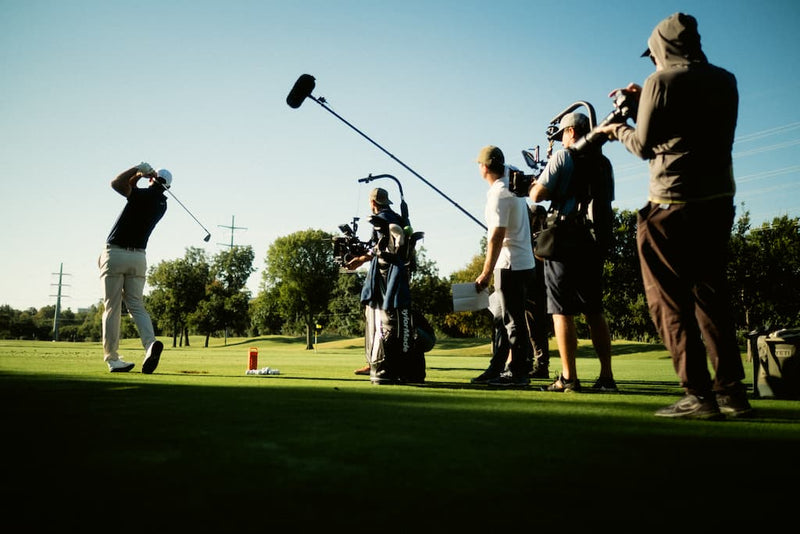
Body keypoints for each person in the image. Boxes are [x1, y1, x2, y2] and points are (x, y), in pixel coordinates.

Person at [596, 13, 751, 418]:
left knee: (668, 302)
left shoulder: (660, 83)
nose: (652, 62)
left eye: (653, 55)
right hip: (718, 201)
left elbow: (644, 145)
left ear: (661, 46)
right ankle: (732, 393)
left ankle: (698, 395)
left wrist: (616, 128)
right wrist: (643, 102)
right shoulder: (726, 80)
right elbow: (692, 127)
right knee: (711, 298)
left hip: (670, 205)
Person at [529, 113, 617, 393]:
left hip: (564, 240)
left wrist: (532, 185)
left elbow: (538, 195)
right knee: (594, 310)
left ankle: (569, 378)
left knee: (560, 311)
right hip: (592, 241)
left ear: (570, 131)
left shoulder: (563, 157)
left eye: (562, 135)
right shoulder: (604, 163)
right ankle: (606, 377)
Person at [471, 146, 535, 387]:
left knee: (512, 321)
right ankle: (498, 368)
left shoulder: (499, 193)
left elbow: (496, 236)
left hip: (509, 265)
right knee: (505, 318)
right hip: (525, 263)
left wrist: (486, 272)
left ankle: (518, 373)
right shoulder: (512, 183)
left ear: (484, 167)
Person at [346, 188, 423, 384]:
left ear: (372, 203)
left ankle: (378, 362)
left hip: (385, 278)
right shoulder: (392, 215)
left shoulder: (383, 218)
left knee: (378, 318)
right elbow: (378, 247)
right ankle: (375, 362)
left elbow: (392, 233)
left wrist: (359, 260)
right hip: (390, 274)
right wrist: (361, 259)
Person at [99, 162, 170, 374]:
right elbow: (130, 188)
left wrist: (137, 169)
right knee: (136, 305)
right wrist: (140, 175)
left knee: (112, 307)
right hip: (139, 258)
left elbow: (116, 183)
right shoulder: (162, 204)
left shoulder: (141, 196)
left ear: (152, 179)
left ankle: (112, 358)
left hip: (116, 252)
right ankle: (150, 345)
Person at [526, 203, 552, 378]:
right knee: (530, 328)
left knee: (538, 329)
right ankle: (531, 362)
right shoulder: (527, 236)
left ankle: (542, 365)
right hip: (530, 287)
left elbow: (542, 256)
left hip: (541, 288)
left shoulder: (547, 235)